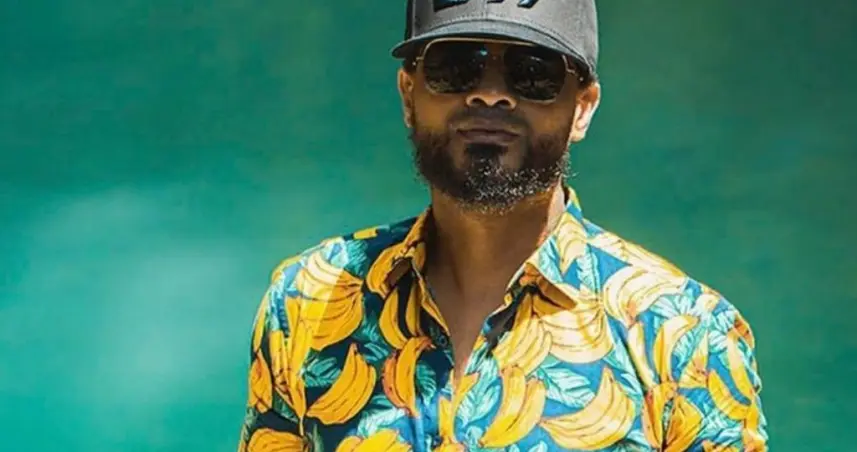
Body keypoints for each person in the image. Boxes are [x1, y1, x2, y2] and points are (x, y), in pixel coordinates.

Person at [237, 0, 768, 450]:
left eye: (533, 72)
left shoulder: (685, 335)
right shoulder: (309, 301)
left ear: (583, 108)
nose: (490, 94)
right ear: (408, 94)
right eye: (455, 66)